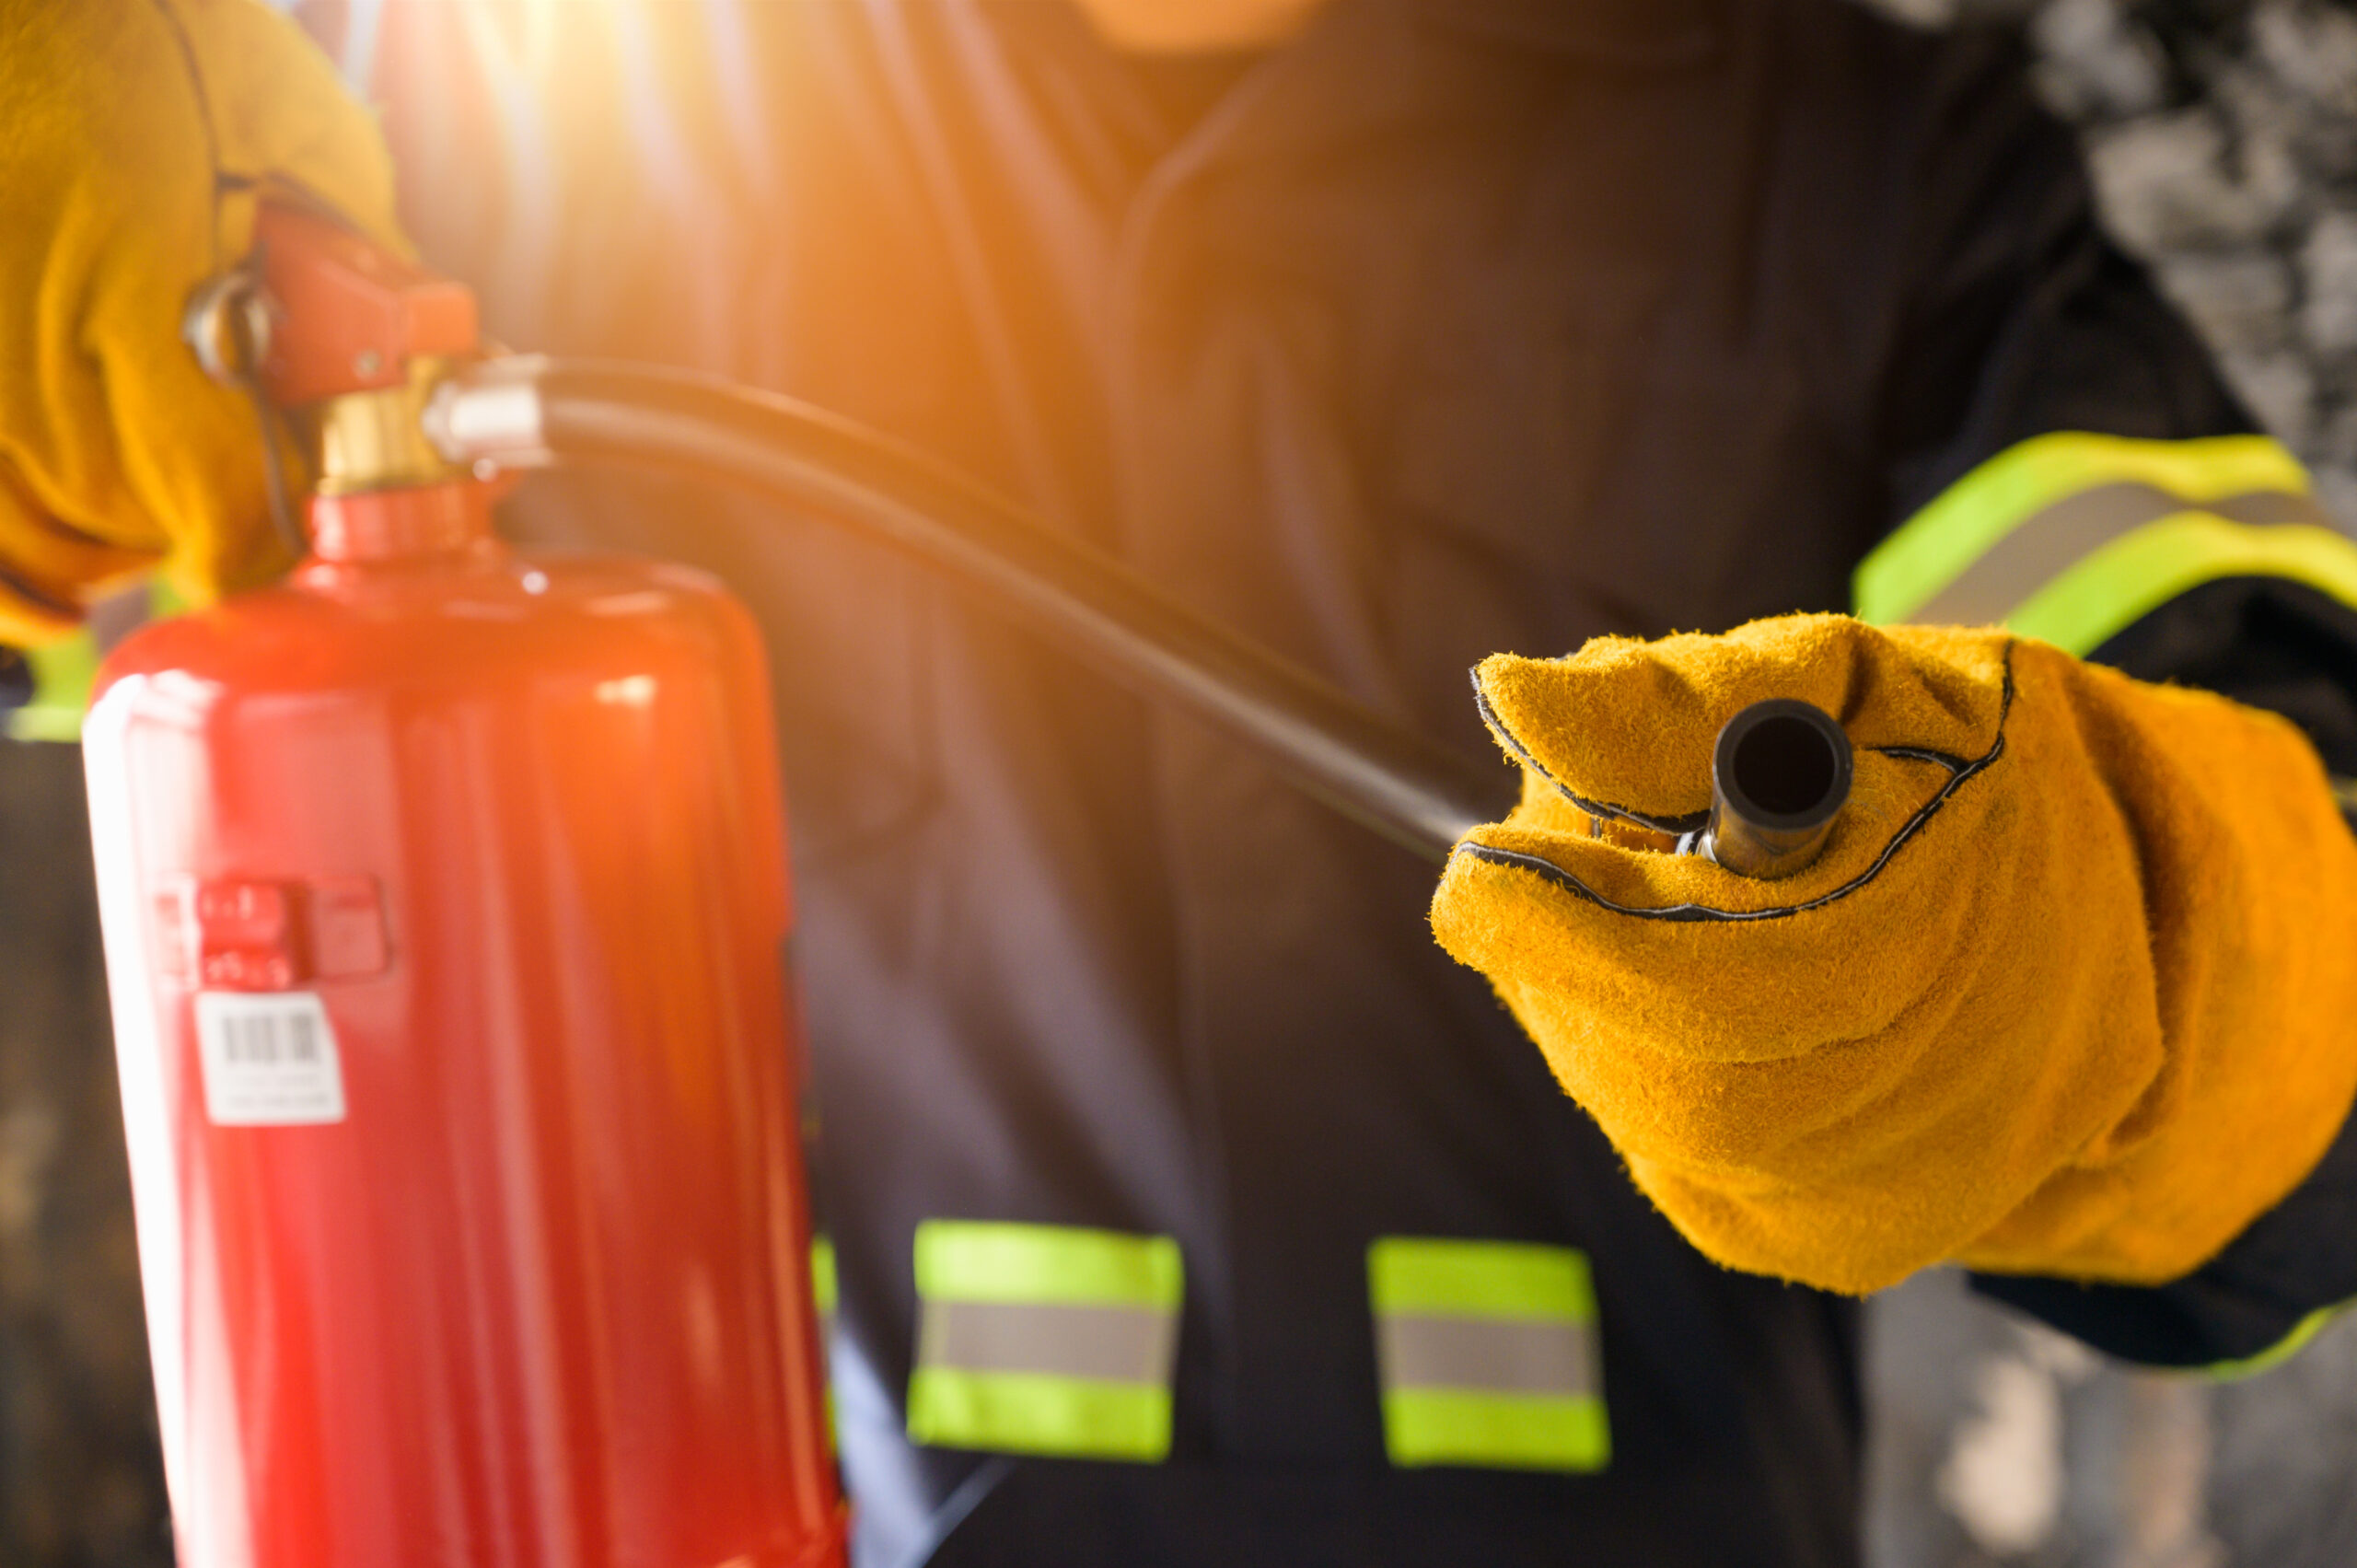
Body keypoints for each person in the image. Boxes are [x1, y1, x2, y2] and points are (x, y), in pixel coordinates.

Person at [8, 0, 2357, 1562]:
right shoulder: (498, 113)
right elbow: (116, 645)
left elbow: (2306, 895)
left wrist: (2107, 952)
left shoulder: (1854, 162)